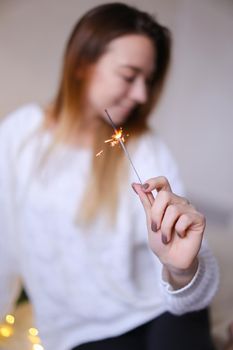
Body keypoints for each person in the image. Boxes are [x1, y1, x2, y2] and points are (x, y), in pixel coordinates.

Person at [0, 3, 219, 350]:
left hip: (165, 307)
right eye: (130, 76)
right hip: (80, 332)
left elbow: (191, 291)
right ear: (83, 64)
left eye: (148, 81)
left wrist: (181, 271)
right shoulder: (17, 137)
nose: (142, 96)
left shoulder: (146, 146)